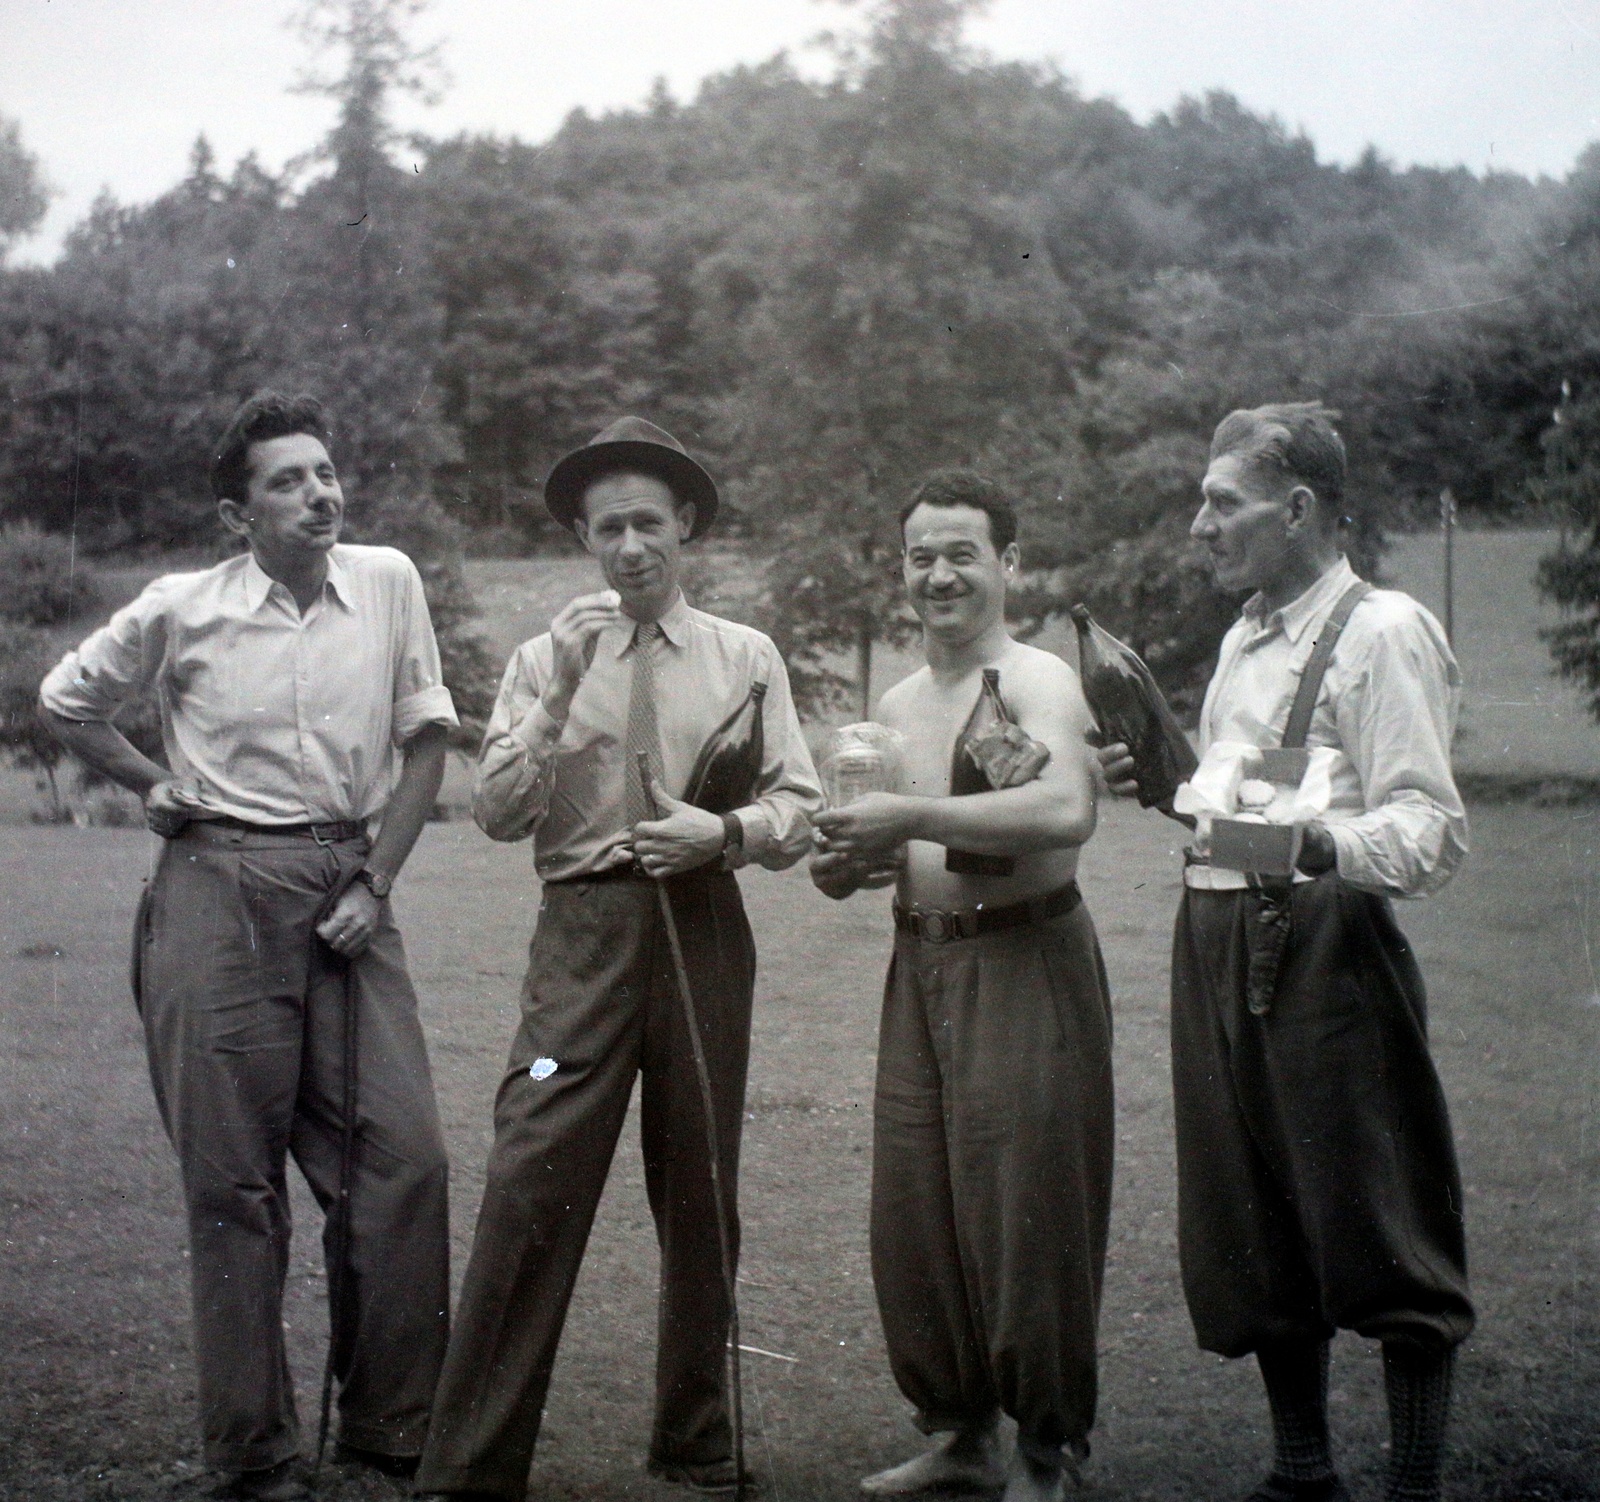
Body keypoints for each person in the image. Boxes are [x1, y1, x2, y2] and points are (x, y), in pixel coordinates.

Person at [38, 391, 457, 1502]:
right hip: (214, 893)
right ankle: (254, 1450)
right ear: (238, 512)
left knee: (405, 1161)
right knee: (233, 1186)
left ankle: (391, 1427)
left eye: (325, 471)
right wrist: (153, 783)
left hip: (348, 893)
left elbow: (427, 742)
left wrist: (376, 879)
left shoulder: (388, 581)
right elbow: (65, 699)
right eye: (288, 479)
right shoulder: (184, 606)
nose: (320, 492)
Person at [414, 416, 823, 1502]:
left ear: (684, 526)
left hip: (701, 924)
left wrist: (722, 835)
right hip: (581, 939)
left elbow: (799, 804)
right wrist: (554, 699)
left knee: (699, 1186)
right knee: (529, 1167)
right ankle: (468, 1461)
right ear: (585, 540)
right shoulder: (541, 657)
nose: (630, 546)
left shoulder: (746, 655)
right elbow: (498, 814)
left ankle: (695, 1438)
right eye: (608, 528)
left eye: (648, 522)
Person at [1098, 403, 1473, 1502]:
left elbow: (1428, 828)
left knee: (1379, 1214)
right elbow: (1241, 804)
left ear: (1299, 506)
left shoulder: (1381, 629)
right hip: (1212, 936)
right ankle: (1300, 1471)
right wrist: (1174, 788)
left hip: (1326, 945)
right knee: (1249, 1218)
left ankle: (1412, 1483)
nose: (1197, 527)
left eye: (1222, 502)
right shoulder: (1245, 635)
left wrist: (1312, 842)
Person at [810, 470, 1110, 1502]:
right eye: (919, 556)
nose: (937, 574)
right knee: (918, 1210)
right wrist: (850, 856)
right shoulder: (896, 700)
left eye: (961, 553)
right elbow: (894, 842)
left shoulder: (1035, 681)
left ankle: (1046, 1450)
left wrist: (907, 815)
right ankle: (962, 1432)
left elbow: (1065, 806)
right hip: (920, 960)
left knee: (1027, 1211)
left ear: (1008, 564)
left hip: (1024, 961)